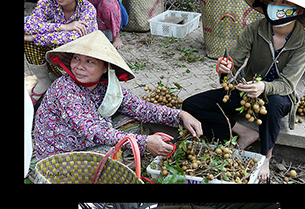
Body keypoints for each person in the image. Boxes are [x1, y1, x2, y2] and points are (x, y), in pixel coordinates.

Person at [181, 0, 305, 182]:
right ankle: (243, 131)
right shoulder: (254, 29)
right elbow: (233, 64)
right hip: (246, 91)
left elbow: (287, 84)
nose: (276, 6)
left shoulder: (304, 43)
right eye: (273, 1)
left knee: (273, 102)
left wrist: (264, 87)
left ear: (298, 10)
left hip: (279, 96)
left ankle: (266, 156)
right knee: (190, 105)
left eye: (283, 2)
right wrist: (225, 70)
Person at [32, 31, 201, 161]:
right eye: (76, 58)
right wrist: (143, 142)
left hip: (85, 139)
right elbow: (94, 131)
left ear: (105, 67)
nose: (79, 66)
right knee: (112, 155)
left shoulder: (105, 85)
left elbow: (140, 107)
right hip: (60, 154)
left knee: (135, 121)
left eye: (89, 61)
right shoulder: (65, 89)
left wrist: (180, 114)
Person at [24, 0, 98, 102]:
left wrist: (33, 38)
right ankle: (44, 80)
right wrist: (63, 27)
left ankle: (65, 80)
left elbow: (74, 38)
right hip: (56, 55)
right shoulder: (47, 1)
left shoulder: (87, 9)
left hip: (81, 59)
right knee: (30, 42)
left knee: (56, 42)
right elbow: (28, 26)